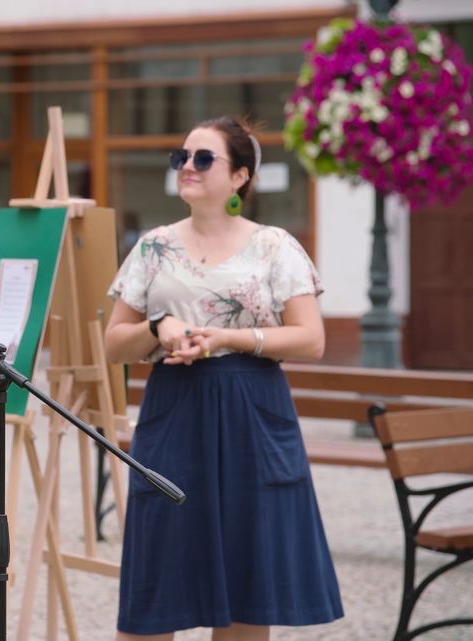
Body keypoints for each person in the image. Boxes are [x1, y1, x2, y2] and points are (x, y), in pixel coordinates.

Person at [104, 116, 344, 641]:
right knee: (157, 578)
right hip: (174, 411)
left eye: (203, 158)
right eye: (181, 157)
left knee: (246, 587)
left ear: (240, 176)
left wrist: (227, 338)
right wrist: (158, 326)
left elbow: (310, 339)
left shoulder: (275, 246)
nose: (187, 166)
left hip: (251, 414)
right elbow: (114, 344)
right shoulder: (152, 247)